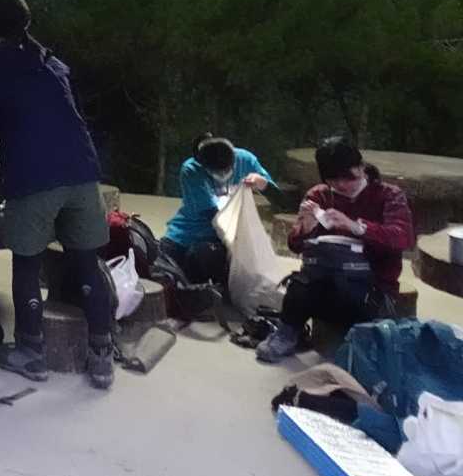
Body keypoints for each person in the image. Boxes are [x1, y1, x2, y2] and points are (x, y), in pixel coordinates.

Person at [0, 0, 114, 390]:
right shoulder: (53, 63)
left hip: (33, 176)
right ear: (27, 24)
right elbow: (74, 115)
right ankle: (102, 355)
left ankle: (31, 351)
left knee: (27, 264)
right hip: (82, 173)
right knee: (86, 263)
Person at [256, 138, 414, 363]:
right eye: (333, 180)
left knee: (353, 297)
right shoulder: (319, 195)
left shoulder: (389, 194)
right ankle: (286, 335)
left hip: (370, 288)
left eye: (348, 178)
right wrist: (306, 228)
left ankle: (362, 347)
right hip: (325, 280)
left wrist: (356, 227)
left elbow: (402, 237)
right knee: (299, 287)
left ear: (361, 167)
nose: (341, 185)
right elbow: (294, 245)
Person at [161, 134, 273, 286]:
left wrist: (262, 183)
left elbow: (279, 198)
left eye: (226, 170)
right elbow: (213, 214)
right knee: (165, 266)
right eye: (216, 173)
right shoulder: (191, 169)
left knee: (205, 259)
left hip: (230, 238)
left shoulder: (245, 160)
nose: (222, 176)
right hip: (190, 232)